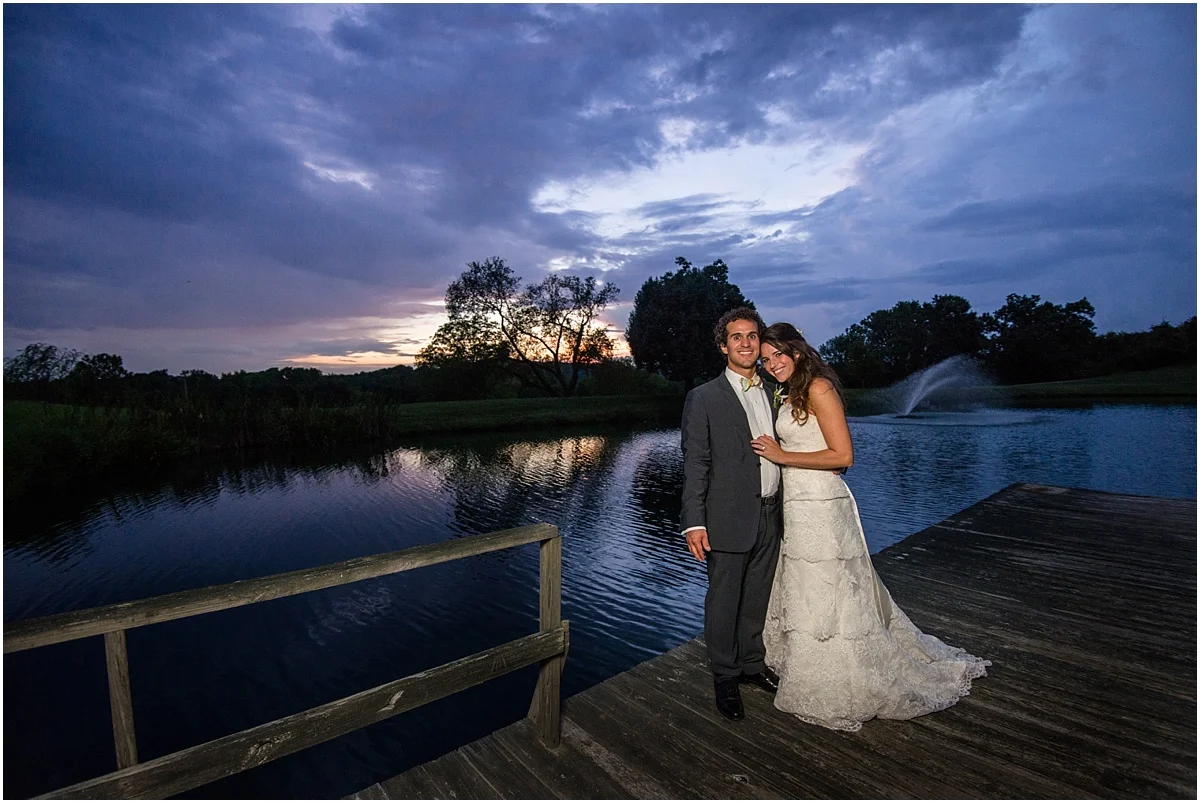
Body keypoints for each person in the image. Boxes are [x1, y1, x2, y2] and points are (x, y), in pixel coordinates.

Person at [751, 321, 990, 731]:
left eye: (779, 355)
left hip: (823, 503)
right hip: (797, 503)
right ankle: (811, 666)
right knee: (807, 582)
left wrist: (782, 456)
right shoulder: (789, 391)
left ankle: (849, 672)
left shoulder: (819, 388)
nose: (773, 364)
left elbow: (843, 455)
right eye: (767, 359)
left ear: (797, 352)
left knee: (831, 582)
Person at [680, 307, 784, 721]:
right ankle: (724, 675)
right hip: (725, 518)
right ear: (723, 346)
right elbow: (695, 464)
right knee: (724, 600)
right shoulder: (703, 398)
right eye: (736, 337)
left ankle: (752, 665)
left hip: (772, 513)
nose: (746, 343)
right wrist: (694, 522)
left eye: (752, 336)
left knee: (757, 595)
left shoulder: (774, 390)